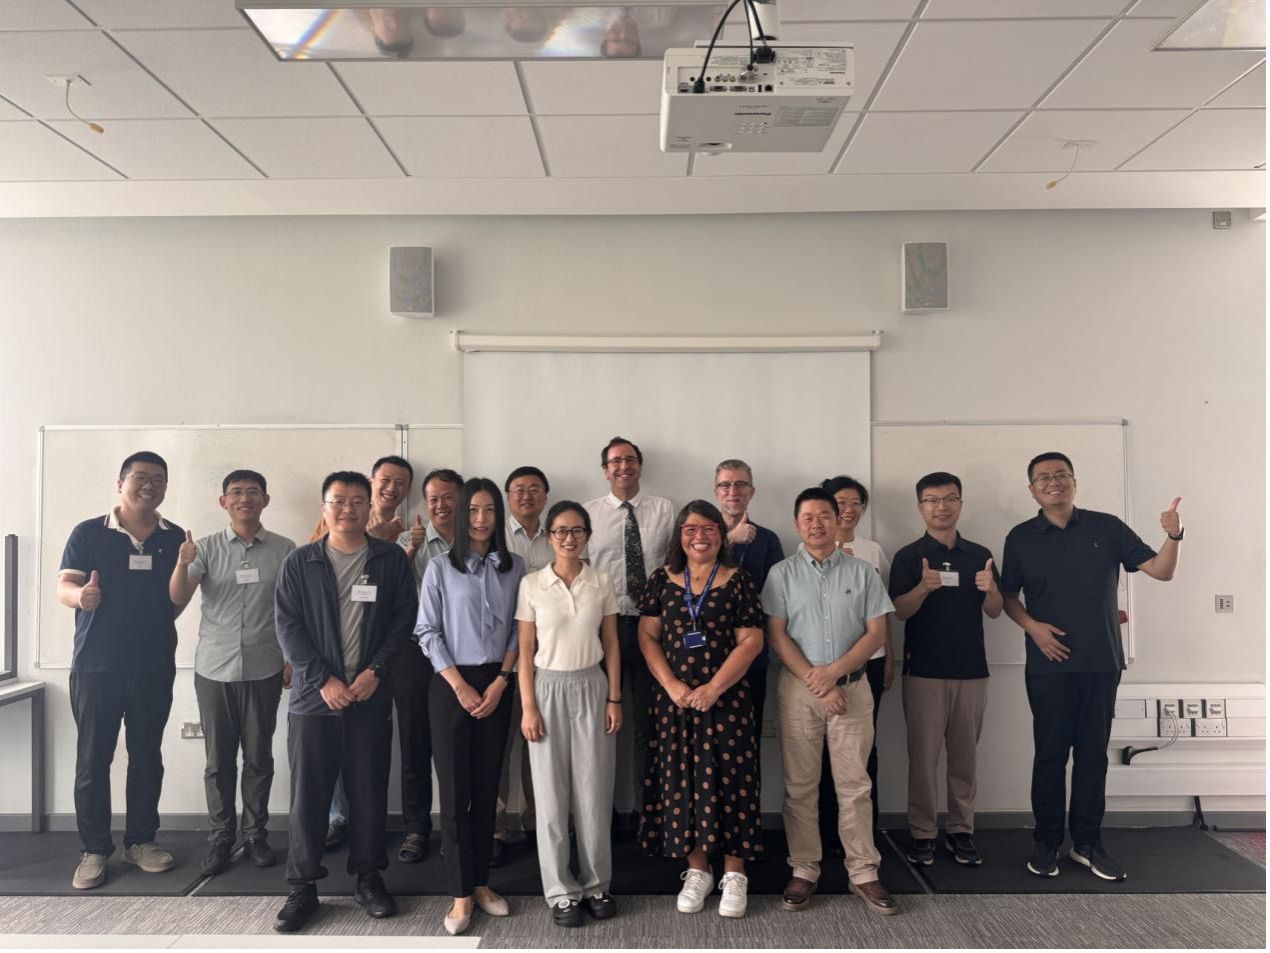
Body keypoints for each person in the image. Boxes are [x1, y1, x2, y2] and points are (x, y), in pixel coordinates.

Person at [1002, 452, 1182, 882]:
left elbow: (1161, 571)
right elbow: (1008, 597)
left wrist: (1174, 536)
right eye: (1043, 478)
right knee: (1049, 756)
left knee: (1092, 757)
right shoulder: (1021, 537)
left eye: (1061, 474)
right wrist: (1033, 628)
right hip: (1048, 665)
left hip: (1101, 662)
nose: (1053, 482)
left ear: (1074, 482)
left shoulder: (1107, 527)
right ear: (1032, 490)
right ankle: (1046, 842)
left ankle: (1087, 844)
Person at [272, 470, 418, 933]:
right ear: (324, 508)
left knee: (369, 790)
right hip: (314, 701)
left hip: (369, 695)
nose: (348, 509)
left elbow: (403, 620)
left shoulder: (390, 560)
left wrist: (377, 671)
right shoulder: (301, 562)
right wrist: (322, 681)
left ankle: (368, 876)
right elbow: (288, 627)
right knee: (308, 796)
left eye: (357, 501)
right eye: (338, 501)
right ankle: (303, 885)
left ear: (368, 506)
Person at [763, 487, 898, 917]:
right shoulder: (781, 574)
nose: (817, 524)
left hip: (853, 688)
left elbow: (876, 634)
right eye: (808, 517)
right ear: (796, 523)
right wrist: (817, 680)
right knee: (800, 786)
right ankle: (804, 868)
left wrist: (833, 674)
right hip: (798, 690)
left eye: (825, 515)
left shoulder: (863, 572)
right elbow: (777, 634)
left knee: (855, 784)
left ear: (838, 521)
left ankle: (863, 870)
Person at [57, 451, 186, 891]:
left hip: (154, 665)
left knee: (147, 755)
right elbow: (64, 585)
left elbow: (176, 601)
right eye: (140, 477)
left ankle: (141, 841)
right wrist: (80, 598)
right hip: (96, 665)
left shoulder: (174, 538)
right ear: (120, 483)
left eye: (158, 479)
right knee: (93, 759)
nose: (149, 485)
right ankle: (94, 849)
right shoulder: (89, 532)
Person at [637, 500, 765, 919]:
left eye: (709, 528)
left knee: (733, 782)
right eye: (691, 529)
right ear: (679, 535)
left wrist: (713, 688)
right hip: (674, 702)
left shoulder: (739, 580)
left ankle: (734, 873)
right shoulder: (662, 579)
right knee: (682, 781)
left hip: (727, 700)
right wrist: (672, 685)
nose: (700, 536)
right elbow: (647, 636)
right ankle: (697, 871)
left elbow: (752, 641)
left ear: (721, 536)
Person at [169, 469, 297, 877]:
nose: (245, 498)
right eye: (236, 492)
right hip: (214, 667)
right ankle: (221, 837)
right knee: (218, 760)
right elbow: (177, 598)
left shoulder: (285, 549)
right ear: (223, 501)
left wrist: (291, 658)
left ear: (265, 500)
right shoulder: (203, 548)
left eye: (253, 492)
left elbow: (293, 610)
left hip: (264, 666)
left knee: (259, 756)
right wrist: (181, 563)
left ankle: (255, 835)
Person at [416, 477, 526, 936]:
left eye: (490, 510)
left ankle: (482, 883)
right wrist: (459, 686)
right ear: (462, 516)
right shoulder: (440, 567)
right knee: (455, 791)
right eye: (474, 511)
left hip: (498, 682)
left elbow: (521, 629)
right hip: (450, 684)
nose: (481, 519)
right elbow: (427, 631)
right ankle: (460, 893)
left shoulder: (515, 567)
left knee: (486, 789)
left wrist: (502, 680)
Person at [516, 501, 622, 928]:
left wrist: (614, 698)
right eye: (560, 531)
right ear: (549, 537)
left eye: (577, 530)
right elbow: (525, 651)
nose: (569, 538)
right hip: (546, 689)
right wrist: (528, 706)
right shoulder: (532, 584)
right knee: (550, 796)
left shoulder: (602, 581)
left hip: (592, 686)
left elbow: (611, 642)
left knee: (594, 791)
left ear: (588, 536)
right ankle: (561, 891)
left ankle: (597, 885)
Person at [888, 472, 1001, 868]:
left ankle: (961, 830)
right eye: (932, 500)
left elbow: (995, 611)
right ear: (920, 507)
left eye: (950, 499)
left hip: (972, 671)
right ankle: (923, 832)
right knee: (923, 759)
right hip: (923, 672)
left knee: (965, 758)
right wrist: (922, 587)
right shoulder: (908, 556)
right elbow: (899, 612)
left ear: (960, 504)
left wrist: (991, 589)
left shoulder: (980, 554)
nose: (942, 507)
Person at [318, 455, 417, 850]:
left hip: (377, 664)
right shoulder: (328, 532)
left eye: (400, 483)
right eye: (385, 480)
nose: (391, 488)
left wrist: (376, 668)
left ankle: (367, 840)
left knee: (369, 754)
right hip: (327, 668)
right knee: (327, 753)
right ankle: (335, 819)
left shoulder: (404, 536)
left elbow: (402, 607)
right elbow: (306, 601)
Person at [584, 436, 674, 824]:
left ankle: (647, 815)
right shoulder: (589, 514)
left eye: (630, 459)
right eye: (616, 461)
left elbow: (676, 565)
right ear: (605, 470)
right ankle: (596, 816)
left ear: (640, 466)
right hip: (603, 629)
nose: (624, 466)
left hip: (652, 629)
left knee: (648, 725)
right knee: (599, 723)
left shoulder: (664, 510)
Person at [819, 475, 892, 849]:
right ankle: (828, 832)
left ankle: (864, 834)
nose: (848, 510)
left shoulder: (872, 550)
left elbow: (883, 610)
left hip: (870, 661)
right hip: (824, 665)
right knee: (823, 747)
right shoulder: (810, 547)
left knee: (864, 745)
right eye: (840, 503)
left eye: (855, 504)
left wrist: (889, 656)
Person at [492, 465, 552, 863]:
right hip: (501, 659)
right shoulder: (493, 539)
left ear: (545, 495)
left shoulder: (559, 536)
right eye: (518, 489)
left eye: (534, 489)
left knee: (539, 742)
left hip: (548, 658)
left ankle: (538, 822)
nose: (526, 495)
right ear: (508, 497)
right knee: (498, 747)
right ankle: (497, 825)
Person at [713, 459, 784, 728]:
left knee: (749, 732)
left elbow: (775, 598)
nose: (733, 491)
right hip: (706, 652)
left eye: (741, 484)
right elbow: (687, 579)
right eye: (725, 485)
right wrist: (729, 540)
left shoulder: (768, 539)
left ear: (751, 491)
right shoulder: (699, 535)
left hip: (752, 652)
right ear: (716, 492)